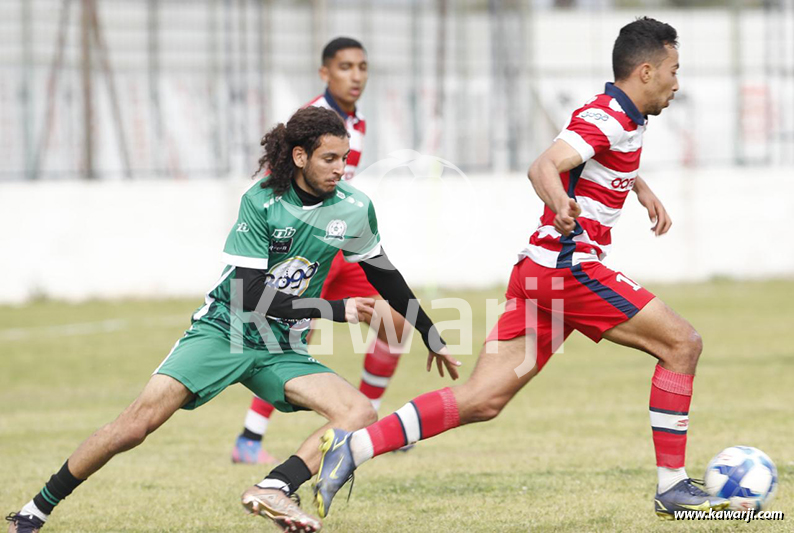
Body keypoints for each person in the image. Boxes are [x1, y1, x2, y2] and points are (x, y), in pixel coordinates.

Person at [313, 17, 731, 521]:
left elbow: (593, 154)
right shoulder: (609, 117)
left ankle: (353, 447)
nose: (676, 82)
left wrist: (639, 188)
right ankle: (673, 486)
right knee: (682, 344)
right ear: (646, 71)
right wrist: (559, 203)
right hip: (567, 270)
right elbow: (543, 166)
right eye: (673, 70)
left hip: (538, 275)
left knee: (481, 400)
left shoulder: (620, 114)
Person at [5, 106, 459, 533]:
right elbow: (249, 296)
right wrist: (335, 310)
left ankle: (275, 487)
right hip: (225, 330)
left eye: (344, 158)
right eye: (329, 159)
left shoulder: (353, 207)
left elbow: (385, 275)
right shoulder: (261, 202)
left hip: (280, 345)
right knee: (134, 427)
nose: (341, 168)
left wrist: (430, 333)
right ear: (299, 157)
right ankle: (34, 510)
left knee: (358, 411)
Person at [232, 36, 415, 466]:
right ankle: (249, 439)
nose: (356, 76)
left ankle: (365, 426)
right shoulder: (313, 120)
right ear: (325, 73)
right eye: (345, 67)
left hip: (337, 246)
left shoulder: (357, 121)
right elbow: (277, 181)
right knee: (289, 336)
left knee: (396, 324)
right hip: (304, 249)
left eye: (362, 67)